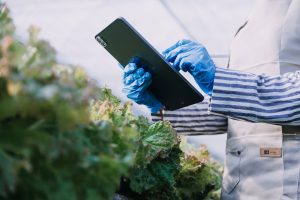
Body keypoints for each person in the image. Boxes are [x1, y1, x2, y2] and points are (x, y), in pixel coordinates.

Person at [122, 1, 300, 199]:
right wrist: (161, 105)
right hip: (240, 186)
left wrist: (218, 80)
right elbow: (232, 114)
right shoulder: (255, 18)